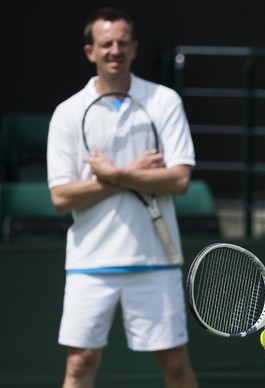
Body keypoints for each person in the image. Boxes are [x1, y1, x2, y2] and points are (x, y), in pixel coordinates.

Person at [47, 7, 198, 387]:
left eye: (122, 43)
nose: (114, 50)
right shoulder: (67, 113)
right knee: (79, 364)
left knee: (176, 366)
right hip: (89, 262)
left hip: (155, 260)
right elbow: (62, 197)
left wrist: (114, 173)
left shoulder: (165, 101)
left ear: (134, 48)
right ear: (90, 52)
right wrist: (136, 175)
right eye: (106, 44)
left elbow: (179, 180)